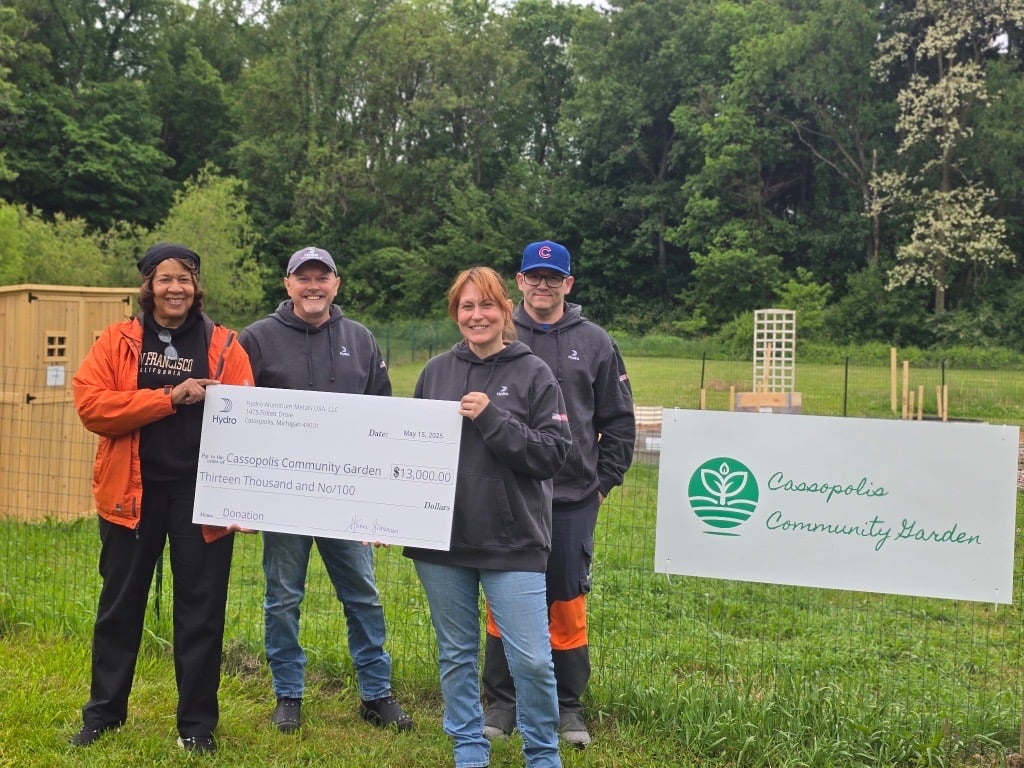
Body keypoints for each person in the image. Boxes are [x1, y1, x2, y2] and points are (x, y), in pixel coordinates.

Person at [70, 243, 255, 755]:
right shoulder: (118, 340)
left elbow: (248, 422)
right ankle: (103, 715)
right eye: (165, 278)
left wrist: (247, 498)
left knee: (200, 611)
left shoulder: (223, 344)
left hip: (201, 496)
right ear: (148, 285)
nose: (176, 287)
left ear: (197, 287)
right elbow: (92, 406)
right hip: (132, 494)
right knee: (119, 607)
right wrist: (167, 399)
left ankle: (197, 726)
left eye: (186, 278)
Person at [237, 246, 412, 734]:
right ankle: (288, 694)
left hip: (348, 497)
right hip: (283, 496)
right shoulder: (256, 339)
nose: (313, 286)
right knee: (282, 598)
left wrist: (380, 501)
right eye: (303, 277)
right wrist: (242, 495)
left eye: (323, 277)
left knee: (363, 596)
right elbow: (237, 421)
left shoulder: (360, 338)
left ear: (337, 283)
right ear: (287, 284)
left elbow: (383, 416)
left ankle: (376, 694)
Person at [405, 266, 572, 768]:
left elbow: (553, 454)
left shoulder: (534, 373)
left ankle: (543, 753)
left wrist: (493, 419)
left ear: (505, 311)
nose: (477, 316)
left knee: (532, 660)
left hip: (513, 539)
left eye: (487, 305)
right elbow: (408, 452)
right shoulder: (435, 372)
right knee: (456, 653)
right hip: (441, 540)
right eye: (466, 307)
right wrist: (384, 515)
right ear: (456, 314)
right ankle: (468, 747)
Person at [482, 240, 636, 748]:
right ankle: (501, 703)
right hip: (508, 495)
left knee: (566, 601)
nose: (542, 284)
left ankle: (567, 707)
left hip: (571, 500)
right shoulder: (498, 335)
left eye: (553, 277)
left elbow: (618, 422)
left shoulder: (595, 342)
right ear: (519, 281)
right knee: (504, 598)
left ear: (568, 284)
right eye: (533, 276)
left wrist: (601, 486)